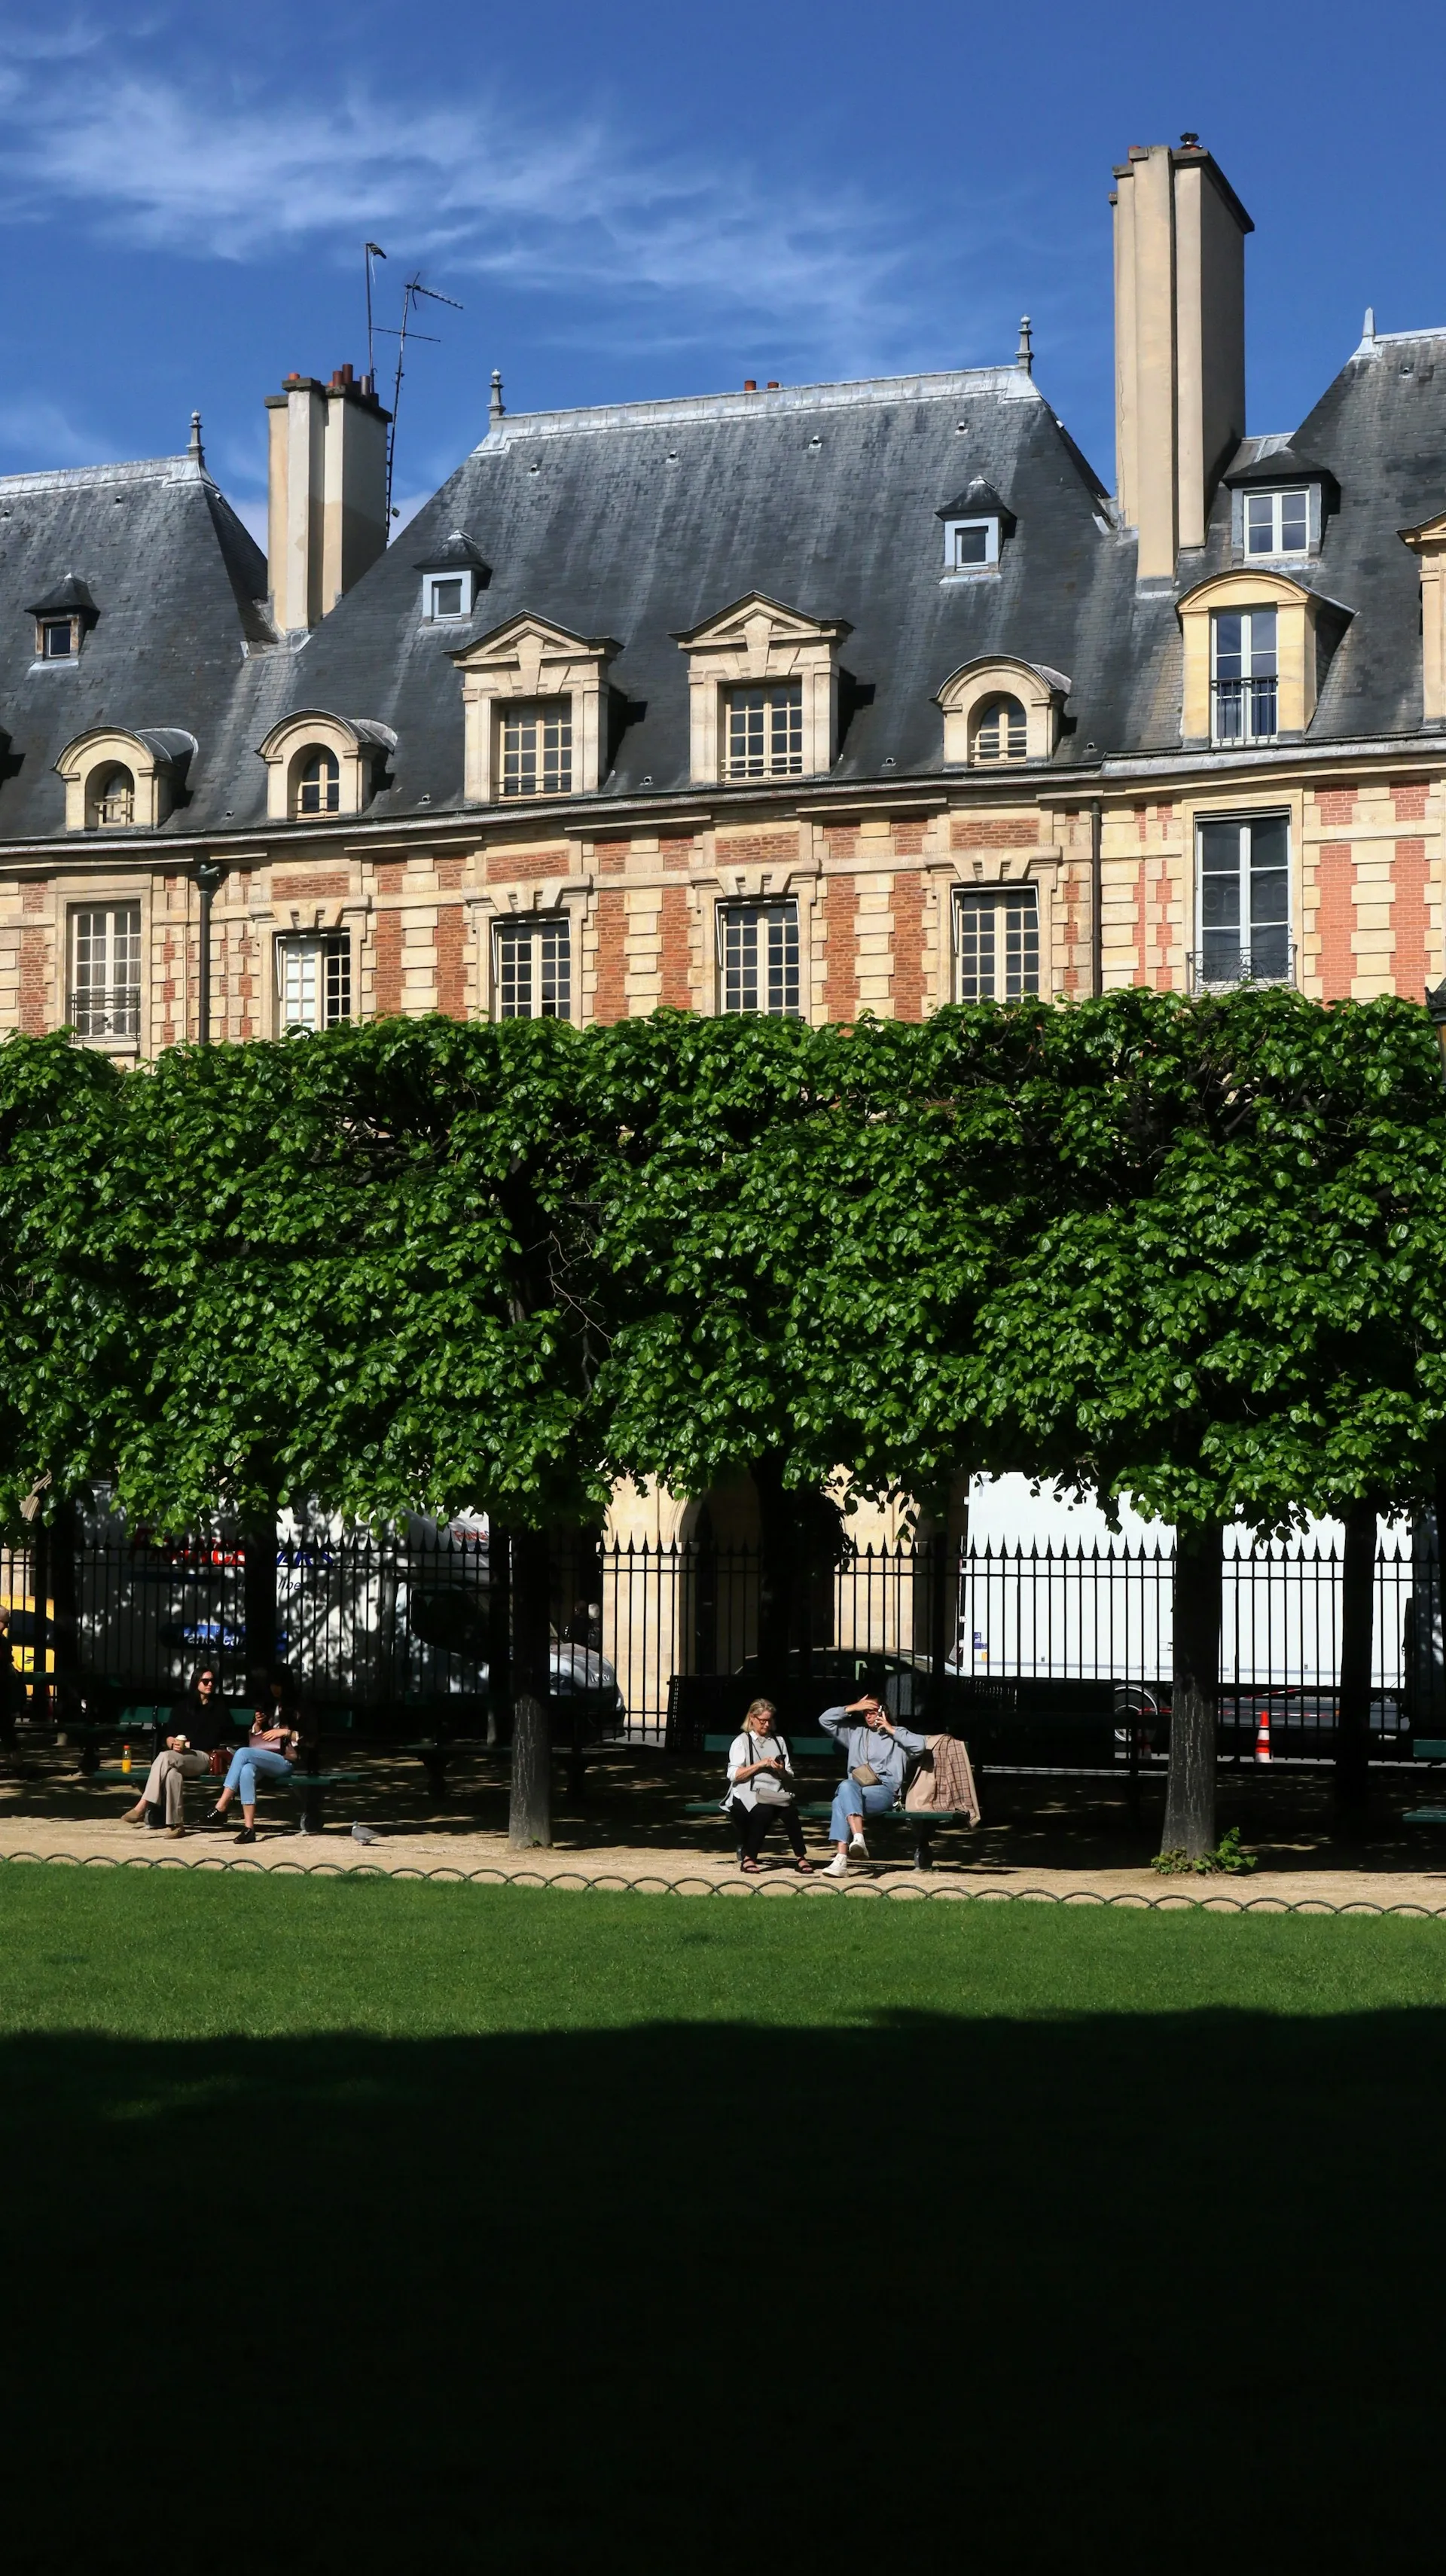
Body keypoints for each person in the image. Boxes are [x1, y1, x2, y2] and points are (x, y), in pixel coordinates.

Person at [819, 1690, 929, 1876]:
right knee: (846, 1789)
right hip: (856, 1786)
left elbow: (920, 1745)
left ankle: (841, 1859)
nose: (869, 1715)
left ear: (883, 1710)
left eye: (872, 1710)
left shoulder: (898, 1736)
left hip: (885, 1790)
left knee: (841, 1799)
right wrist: (853, 1708)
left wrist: (890, 1728)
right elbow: (825, 1720)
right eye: (865, 1712)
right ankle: (858, 1839)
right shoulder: (856, 1734)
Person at [121, 1664, 230, 1839]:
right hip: (179, 1757)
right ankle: (176, 1825)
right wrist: (172, 1743)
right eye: (205, 1681)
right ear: (196, 1683)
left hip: (203, 1756)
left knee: (164, 1757)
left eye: (212, 1681)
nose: (210, 1684)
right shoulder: (182, 1707)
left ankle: (143, 1806)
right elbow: (169, 1734)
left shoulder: (218, 1708)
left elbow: (213, 1739)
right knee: (172, 1774)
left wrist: (186, 1745)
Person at [722, 1697, 815, 1874]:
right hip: (748, 1792)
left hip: (774, 1792)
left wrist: (781, 1771)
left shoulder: (778, 1741)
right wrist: (760, 1764)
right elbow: (733, 1775)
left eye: (769, 1720)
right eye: (762, 1721)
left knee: (791, 1813)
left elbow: (789, 1775)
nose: (766, 1725)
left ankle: (801, 1857)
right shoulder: (742, 1741)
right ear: (752, 1718)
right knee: (763, 1811)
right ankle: (750, 1857)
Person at [206, 1697, 300, 1845]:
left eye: (277, 1685)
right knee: (246, 1770)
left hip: (285, 1761)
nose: (274, 1689)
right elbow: (257, 1740)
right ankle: (249, 1828)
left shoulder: (298, 1706)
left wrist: (285, 1732)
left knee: (242, 1753)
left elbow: (310, 1737)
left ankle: (221, 1806)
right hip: (264, 1757)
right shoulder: (267, 1706)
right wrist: (257, 1724)